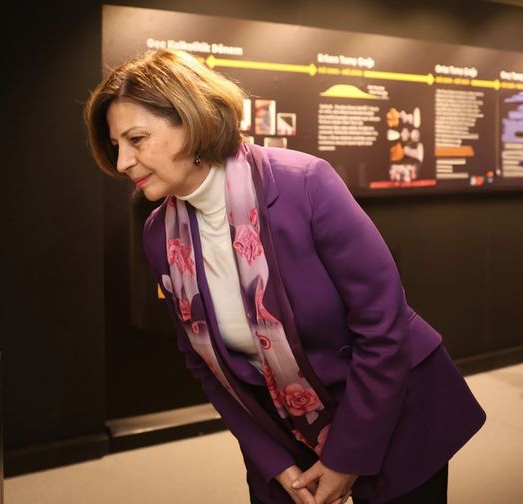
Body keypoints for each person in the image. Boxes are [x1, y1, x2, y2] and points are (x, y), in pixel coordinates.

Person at [83, 48, 485, 504]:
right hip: (283, 430)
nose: (122, 163)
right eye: (117, 146)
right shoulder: (160, 234)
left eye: (137, 139)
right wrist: (273, 460)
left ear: (190, 120)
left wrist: (345, 457)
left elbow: (383, 326)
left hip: (390, 408)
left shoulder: (304, 183)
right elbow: (205, 366)